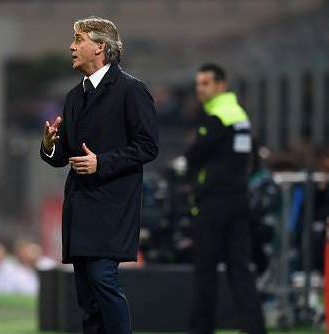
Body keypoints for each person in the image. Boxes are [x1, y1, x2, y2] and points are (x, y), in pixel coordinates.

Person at [40, 17, 159, 334]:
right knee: (87, 296)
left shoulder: (131, 91)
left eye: (78, 40)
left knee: (102, 278)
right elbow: (62, 156)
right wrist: (49, 145)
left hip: (113, 205)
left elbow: (148, 146)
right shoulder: (73, 97)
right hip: (80, 206)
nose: (71, 46)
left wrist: (101, 162)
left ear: (100, 47)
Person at [172, 63, 267, 334]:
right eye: (198, 83)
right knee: (240, 270)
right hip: (238, 199)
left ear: (220, 85)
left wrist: (186, 174)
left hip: (214, 203)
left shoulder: (217, 117)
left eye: (205, 83)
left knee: (205, 270)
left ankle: (201, 329)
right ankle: (255, 328)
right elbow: (253, 156)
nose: (200, 89)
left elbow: (194, 156)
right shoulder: (239, 115)